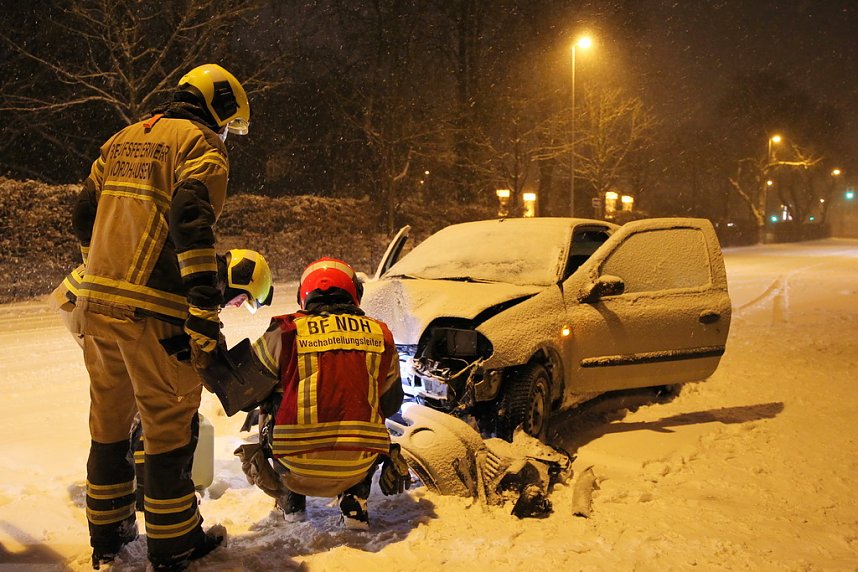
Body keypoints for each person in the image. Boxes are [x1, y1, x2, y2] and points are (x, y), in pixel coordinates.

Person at [69, 63, 251, 571]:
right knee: (169, 428)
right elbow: (191, 224)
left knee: (108, 425)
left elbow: (83, 217)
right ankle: (175, 544)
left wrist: (101, 266)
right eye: (227, 125)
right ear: (218, 107)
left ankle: (108, 536)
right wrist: (204, 312)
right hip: (153, 311)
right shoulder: (199, 145)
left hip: (96, 305)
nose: (224, 136)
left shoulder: (120, 140)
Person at [49, 249, 275, 510]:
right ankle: (143, 488)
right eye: (243, 299)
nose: (237, 305)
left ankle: (133, 479)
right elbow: (198, 336)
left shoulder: (203, 269)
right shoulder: (205, 279)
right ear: (239, 278)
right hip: (92, 303)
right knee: (149, 393)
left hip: (83, 297)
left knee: (141, 384)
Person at [207, 257, 408, 530]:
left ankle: (290, 499)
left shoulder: (286, 331)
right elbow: (391, 402)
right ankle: (355, 497)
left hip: (295, 467)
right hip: (358, 466)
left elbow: (246, 392)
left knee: (269, 401)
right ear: (354, 292)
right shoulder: (381, 335)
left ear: (305, 294)